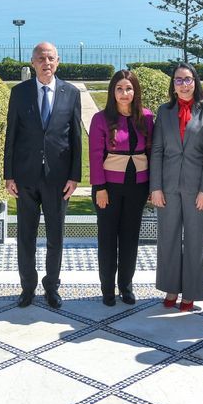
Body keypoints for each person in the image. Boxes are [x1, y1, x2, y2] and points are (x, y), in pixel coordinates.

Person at [4, 41, 82, 309]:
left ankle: (52, 287)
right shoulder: (20, 92)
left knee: (55, 237)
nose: (46, 63)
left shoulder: (71, 93)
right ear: (33, 62)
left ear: (58, 61)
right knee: (25, 236)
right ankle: (27, 287)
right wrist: (9, 175)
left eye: (50, 58)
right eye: (41, 58)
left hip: (58, 179)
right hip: (25, 177)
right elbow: (11, 135)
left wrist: (74, 176)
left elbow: (75, 138)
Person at [150, 63, 203, 312]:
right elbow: (157, 151)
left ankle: (191, 292)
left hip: (197, 188)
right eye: (178, 80)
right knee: (167, 238)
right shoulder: (164, 111)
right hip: (167, 187)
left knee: (195, 240)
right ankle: (170, 288)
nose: (184, 84)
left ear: (195, 82)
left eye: (188, 79)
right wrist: (155, 187)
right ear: (173, 85)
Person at [89, 70, 154, 306]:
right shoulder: (100, 119)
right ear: (112, 92)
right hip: (108, 188)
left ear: (135, 91)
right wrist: (100, 187)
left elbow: (152, 153)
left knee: (130, 238)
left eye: (128, 88)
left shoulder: (147, 117)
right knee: (107, 239)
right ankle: (107, 289)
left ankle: (126, 286)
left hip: (138, 187)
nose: (124, 93)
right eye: (119, 89)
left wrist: (152, 186)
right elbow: (95, 155)